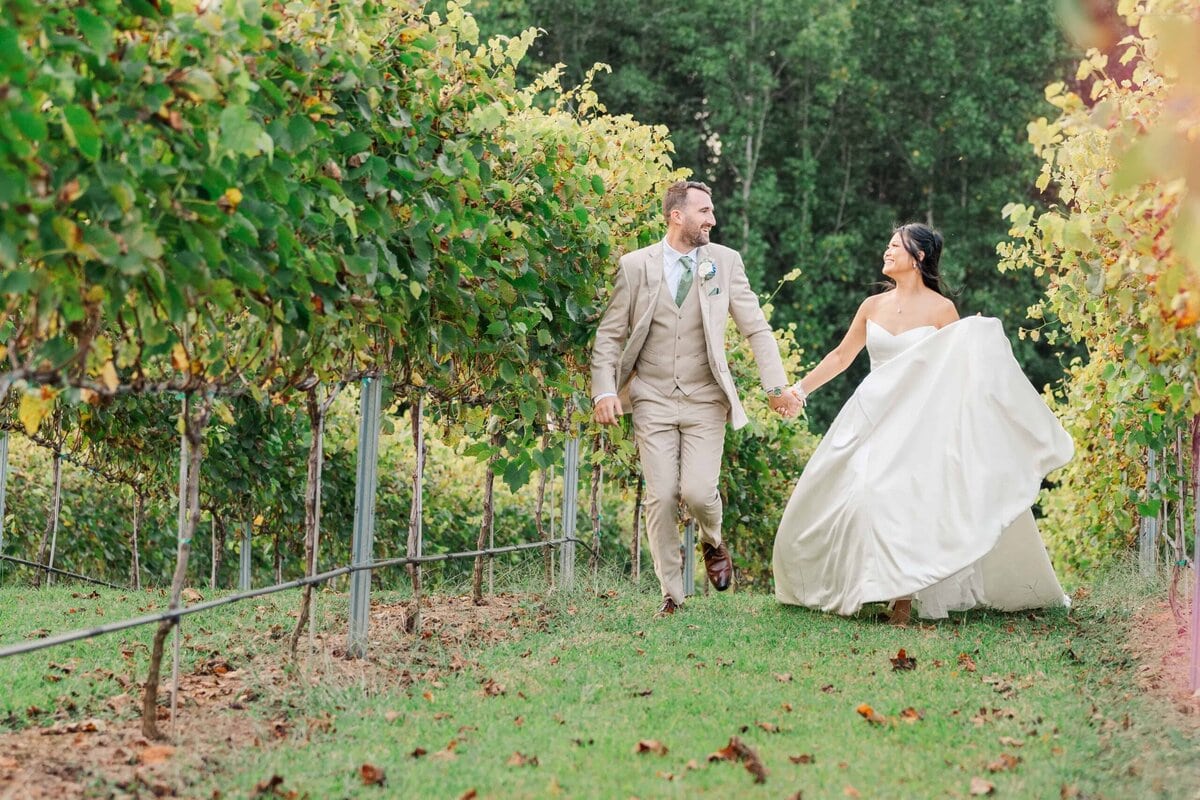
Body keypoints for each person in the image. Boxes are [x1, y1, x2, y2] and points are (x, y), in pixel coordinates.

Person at [772, 223, 1072, 624]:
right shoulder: (871, 306)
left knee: (903, 497)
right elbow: (842, 356)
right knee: (863, 493)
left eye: (895, 246)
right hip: (872, 416)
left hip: (919, 422)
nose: (887, 251)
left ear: (919, 257)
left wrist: (975, 338)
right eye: (888, 243)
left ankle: (902, 597)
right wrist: (800, 390)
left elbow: (959, 367)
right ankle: (860, 584)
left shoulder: (941, 310)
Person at [591, 180, 802, 618]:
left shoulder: (725, 263)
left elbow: (756, 328)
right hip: (651, 396)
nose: (712, 219)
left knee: (700, 493)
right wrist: (605, 390)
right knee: (663, 495)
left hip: (706, 397)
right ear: (677, 216)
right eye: (704, 211)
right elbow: (610, 334)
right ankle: (672, 593)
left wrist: (775, 387)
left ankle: (712, 539)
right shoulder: (635, 266)